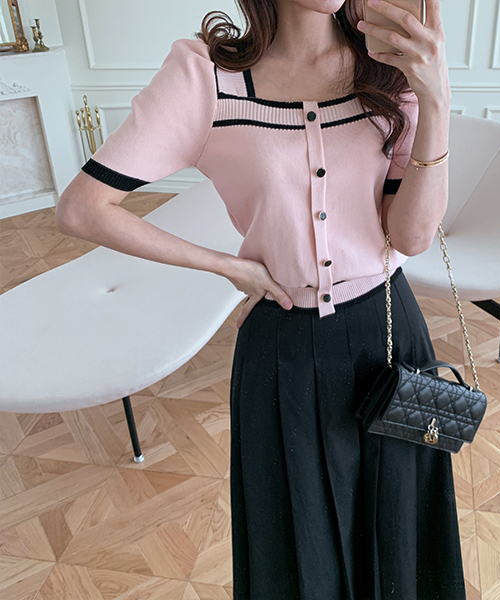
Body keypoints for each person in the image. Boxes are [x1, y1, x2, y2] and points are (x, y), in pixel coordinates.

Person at [55, 0, 465, 598]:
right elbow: (81, 209)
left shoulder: (390, 71)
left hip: (389, 335)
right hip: (283, 351)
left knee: (403, 526)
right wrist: (226, 266)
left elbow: (411, 236)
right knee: (296, 547)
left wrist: (437, 99)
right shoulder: (205, 78)